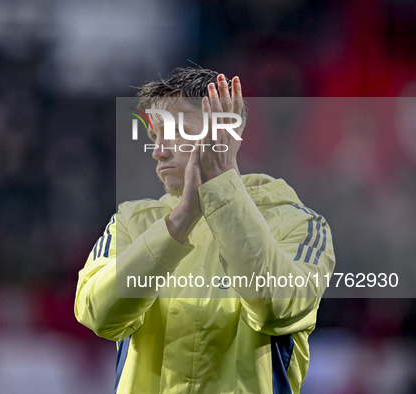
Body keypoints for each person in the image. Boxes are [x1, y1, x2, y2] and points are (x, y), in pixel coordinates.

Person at [74, 67, 335, 394]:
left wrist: (220, 188)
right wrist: (182, 218)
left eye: (175, 132)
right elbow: (98, 315)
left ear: (228, 132)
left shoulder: (302, 225)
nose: (158, 151)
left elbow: (276, 308)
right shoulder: (130, 221)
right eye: (155, 137)